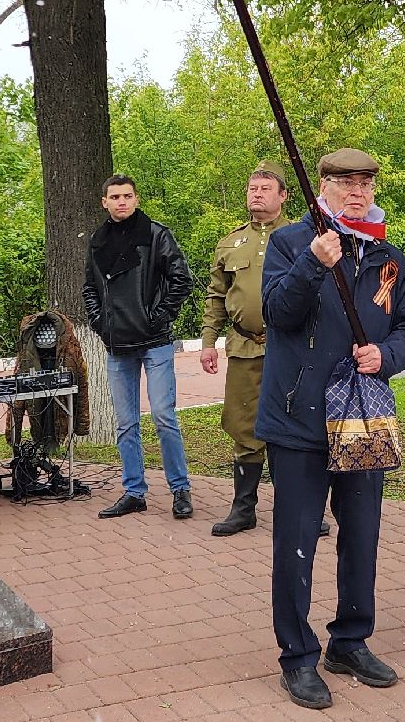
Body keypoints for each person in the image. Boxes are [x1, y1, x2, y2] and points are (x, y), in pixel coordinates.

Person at [258, 149, 405, 710]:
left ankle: (349, 641)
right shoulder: (289, 243)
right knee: (297, 540)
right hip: (298, 418)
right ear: (321, 187)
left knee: (362, 536)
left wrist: (389, 354)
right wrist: (312, 262)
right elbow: (276, 314)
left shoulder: (387, 256)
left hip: (361, 416)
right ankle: (297, 655)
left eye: (365, 182)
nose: (357, 191)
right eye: (344, 182)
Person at [82, 174, 195, 518]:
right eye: (114, 196)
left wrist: (157, 318)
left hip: (155, 341)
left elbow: (181, 279)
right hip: (118, 344)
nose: (121, 202)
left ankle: (180, 489)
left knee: (163, 416)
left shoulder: (156, 234)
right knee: (126, 423)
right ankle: (134, 491)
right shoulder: (98, 241)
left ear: (136, 199)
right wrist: (101, 323)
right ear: (104, 202)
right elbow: (90, 288)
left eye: (127, 196)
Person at [201, 167, 289, 536]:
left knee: (293, 426)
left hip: (289, 349)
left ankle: (299, 508)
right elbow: (217, 296)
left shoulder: (301, 236)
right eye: (252, 188)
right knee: (243, 427)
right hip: (243, 347)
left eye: (266, 188)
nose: (257, 194)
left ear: (283, 196)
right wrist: (208, 342)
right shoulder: (230, 243)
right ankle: (243, 509)